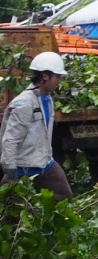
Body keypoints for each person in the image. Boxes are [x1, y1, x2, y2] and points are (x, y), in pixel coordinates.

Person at [0, 51, 74, 201]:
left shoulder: (47, 99)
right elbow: (10, 139)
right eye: (57, 77)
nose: (59, 81)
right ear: (45, 76)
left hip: (45, 162)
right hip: (24, 166)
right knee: (15, 210)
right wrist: (10, 171)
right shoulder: (24, 103)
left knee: (64, 196)